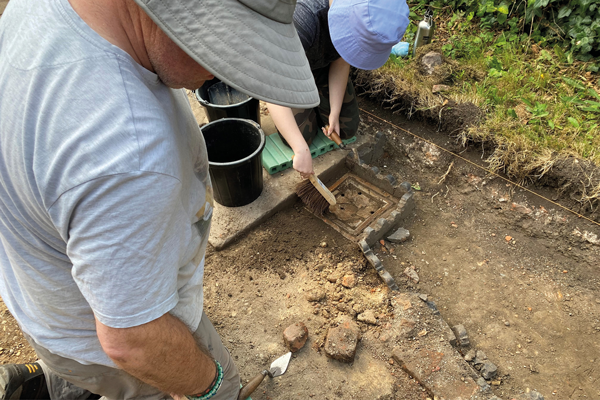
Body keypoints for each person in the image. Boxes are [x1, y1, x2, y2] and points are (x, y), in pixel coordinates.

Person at [0, 0, 319, 399]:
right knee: (222, 385)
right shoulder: (128, 151)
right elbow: (131, 341)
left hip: (50, 299)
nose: (223, 72)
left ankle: (47, 381)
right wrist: (209, 385)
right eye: (228, 50)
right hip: (104, 340)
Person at [267, 0, 409, 178]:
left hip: (322, 67)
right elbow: (271, 86)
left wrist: (334, 112)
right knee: (303, 137)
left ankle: (317, 104)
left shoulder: (362, 13)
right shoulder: (303, 18)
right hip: (290, 74)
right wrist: (300, 149)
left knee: (346, 127)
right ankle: (309, 106)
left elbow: (341, 62)